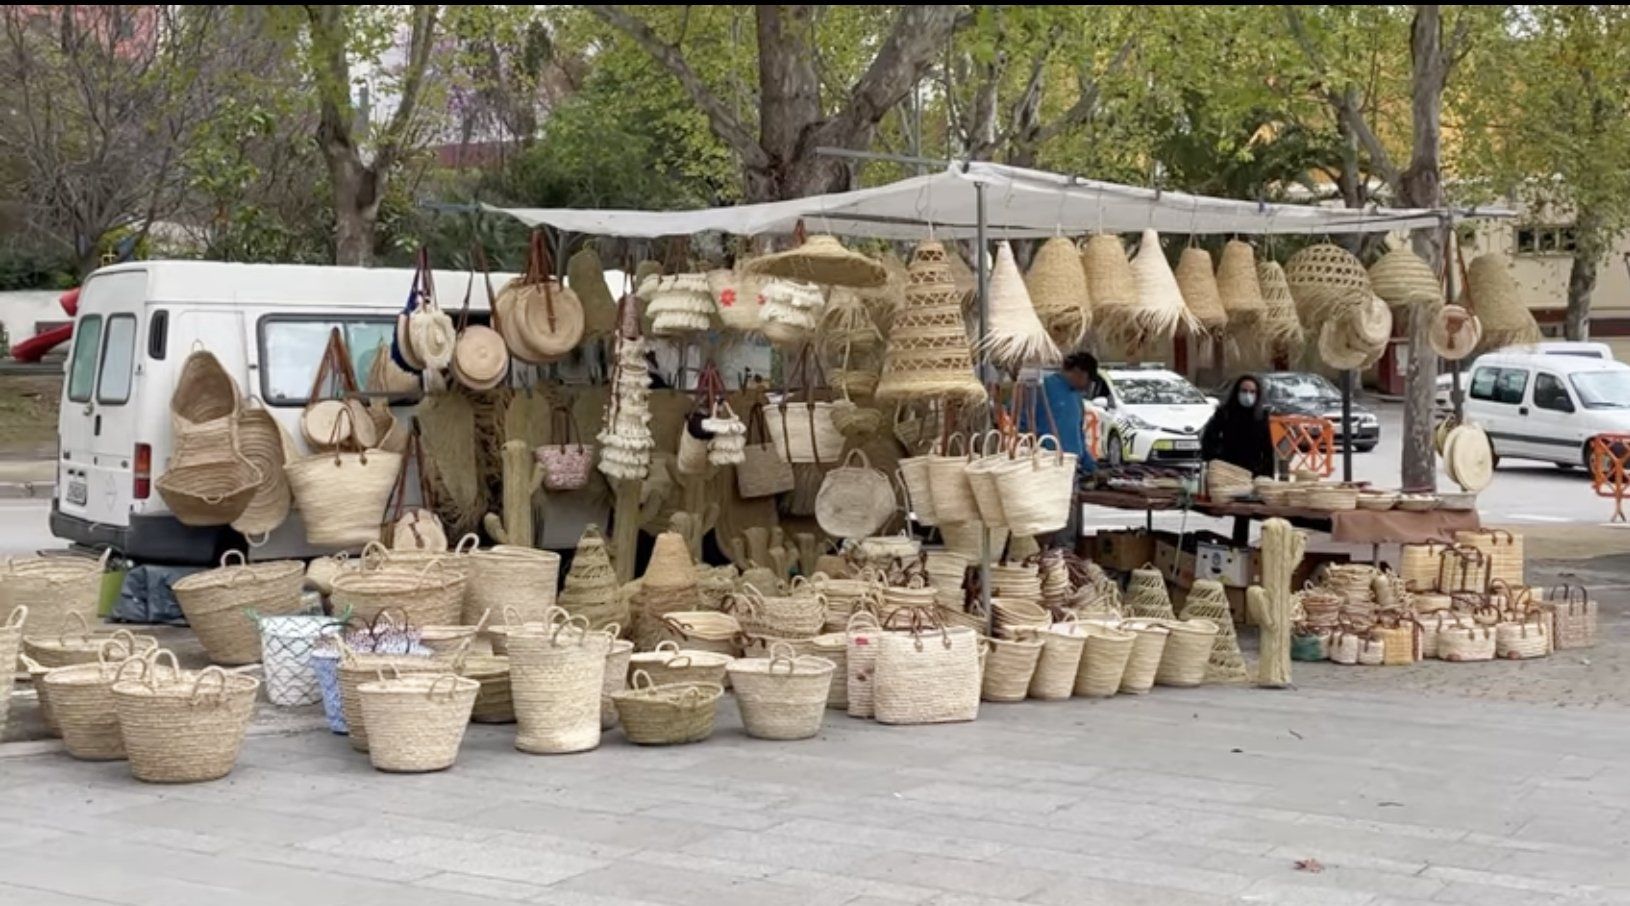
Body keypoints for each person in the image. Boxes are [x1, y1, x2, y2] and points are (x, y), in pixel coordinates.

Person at [1019, 351, 1102, 548]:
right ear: (1079, 372)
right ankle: (1044, 555)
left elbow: (1078, 435)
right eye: (1088, 380)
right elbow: (1022, 423)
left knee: (1067, 519)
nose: (1087, 386)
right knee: (1047, 519)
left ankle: (1064, 556)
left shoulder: (1077, 399)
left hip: (1071, 468)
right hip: (1046, 465)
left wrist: (1091, 465)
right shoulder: (1042, 388)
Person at [1201, 374, 1277, 477]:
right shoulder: (1224, 413)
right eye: (1244, 391)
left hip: (1252, 472)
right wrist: (1217, 460)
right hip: (1227, 471)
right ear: (1236, 392)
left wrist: (1267, 475)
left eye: (1252, 392)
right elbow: (1208, 439)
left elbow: (1267, 448)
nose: (1248, 395)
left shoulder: (1261, 417)